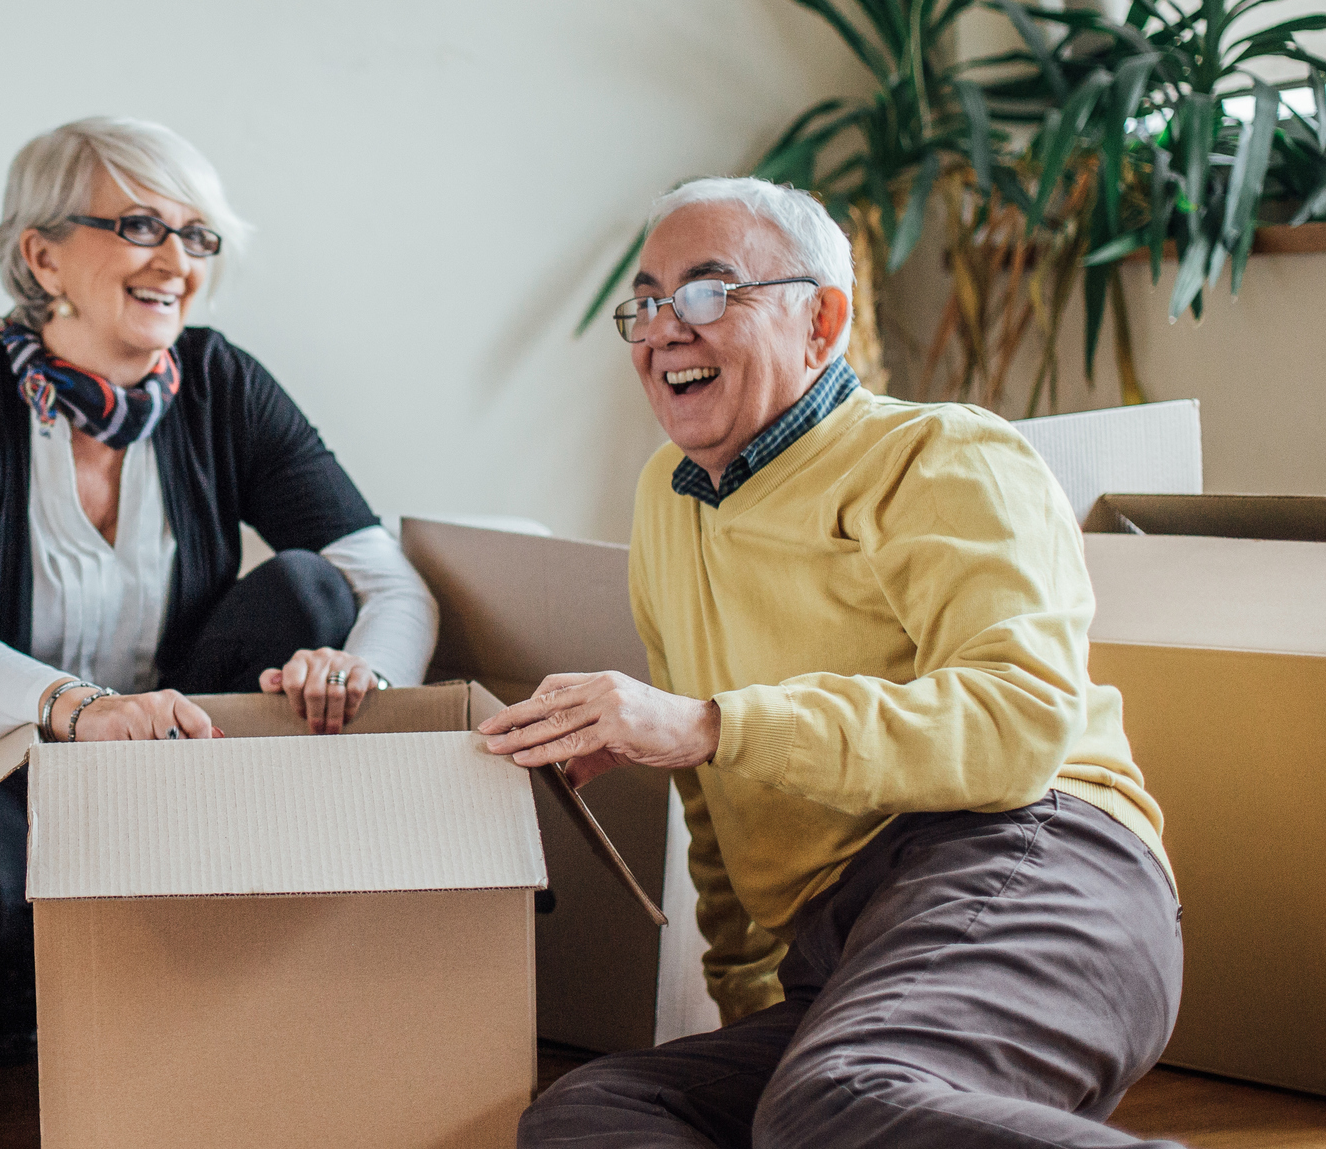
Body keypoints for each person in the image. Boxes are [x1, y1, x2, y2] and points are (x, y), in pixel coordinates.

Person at [485, 178, 1182, 1149]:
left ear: (823, 320)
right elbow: (716, 804)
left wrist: (707, 720)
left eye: (706, 291)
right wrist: (745, 1003)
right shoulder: (668, 499)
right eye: (644, 302)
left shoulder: (942, 455)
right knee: (594, 1112)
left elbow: (1017, 726)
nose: (662, 329)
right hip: (849, 949)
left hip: (1038, 867)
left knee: (834, 1101)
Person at [0, 116, 438, 1065]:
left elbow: (389, 585)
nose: (175, 259)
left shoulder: (222, 385)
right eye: (137, 226)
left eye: (197, 235)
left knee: (311, 593)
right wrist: (81, 713)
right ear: (40, 257)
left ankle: (194, 953)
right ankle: (19, 976)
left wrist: (359, 675)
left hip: (172, 756)